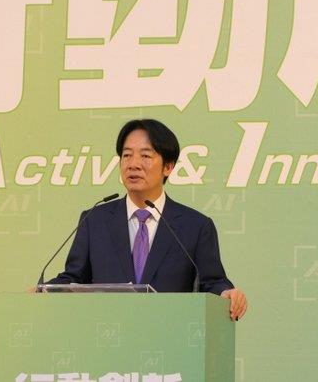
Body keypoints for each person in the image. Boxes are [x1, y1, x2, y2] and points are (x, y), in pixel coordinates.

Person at [48, 119, 247, 320]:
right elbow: (73, 279)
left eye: (145, 156)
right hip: (107, 331)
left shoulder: (195, 226)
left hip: (170, 332)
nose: (133, 164)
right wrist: (43, 291)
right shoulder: (94, 220)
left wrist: (226, 293)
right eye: (126, 155)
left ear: (168, 167)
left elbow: (212, 283)